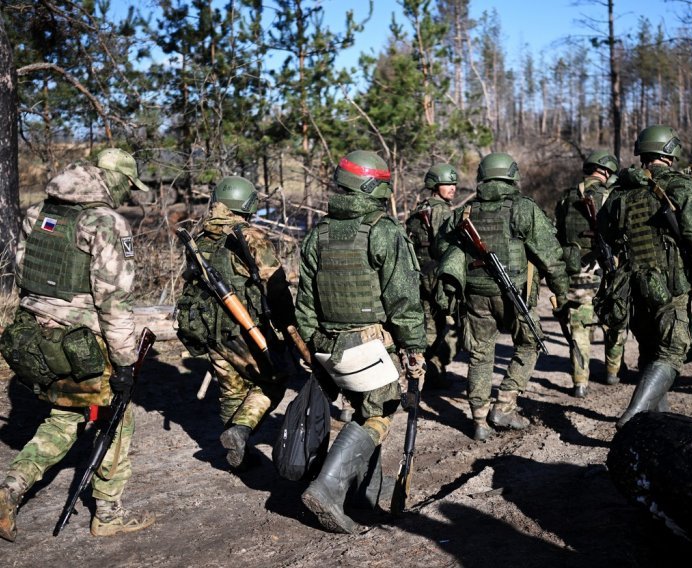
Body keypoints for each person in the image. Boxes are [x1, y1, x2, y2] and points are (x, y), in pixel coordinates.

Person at [0, 148, 154, 541]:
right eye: (127, 185)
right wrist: (124, 361)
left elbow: (23, 271)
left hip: (34, 336)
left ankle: (9, 488)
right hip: (83, 344)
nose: (126, 194)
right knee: (118, 419)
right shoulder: (106, 223)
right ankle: (108, 512)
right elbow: (114, 300)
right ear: (113, 179)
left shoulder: (41, 214)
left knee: (64, 416)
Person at [295, 150, 426, 534]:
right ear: (372, 186)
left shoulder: (317, 234)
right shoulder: (384, 232)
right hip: (371, 349)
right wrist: (414, 347)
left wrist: (313, 347)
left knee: (361, 411)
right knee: (379, 414)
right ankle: (328, 488)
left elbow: (304, 305)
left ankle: (365, 497)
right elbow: (403, 299)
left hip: (328, 347)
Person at [436, 152, 569, 442]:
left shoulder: (466, 212)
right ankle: (505, 405)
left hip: (476, 296)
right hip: (514, 293)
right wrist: (561, 291)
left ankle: (480, 420)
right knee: (531, 342)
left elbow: (441, 247)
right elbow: (551, 256)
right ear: (511, 176)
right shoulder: (522, 208)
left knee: (481, 354)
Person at [602, 125, 692, 428]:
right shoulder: (680, 188)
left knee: (649, 351)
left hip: (631, 286)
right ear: (669, 152)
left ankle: (658, 424)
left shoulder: (620, 194)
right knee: (671, 350)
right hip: (669, 286)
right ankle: (633, 416)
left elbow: (604, 235)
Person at [176, 176, 296, 469]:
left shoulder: (199, 237)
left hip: (209, 329)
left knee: (231, 389)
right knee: (275, 381)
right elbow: (275, 283)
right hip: (246, 328)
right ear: (247, 205)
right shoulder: (250, 235)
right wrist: (289, 322)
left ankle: (237, 453)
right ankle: (241, 430)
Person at [554, 150, 627, 398]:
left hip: (579, 269)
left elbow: (560, 234)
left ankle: (580, 382)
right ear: (606, 171)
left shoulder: (566, 198)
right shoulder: (611, 195)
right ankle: (612, 370)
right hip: (610, 269)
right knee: (616, 318)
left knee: (579, 326)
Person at [406, 163, 460, 389]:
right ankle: (431, 368)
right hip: (436, 276)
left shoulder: (420, 208)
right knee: (450, 325)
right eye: (448, 183)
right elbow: (444, 247)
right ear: (435, 185)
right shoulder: (441, 210)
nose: (453, 188)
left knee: (429, 324)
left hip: (420, 274)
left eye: (454, 184)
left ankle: (427, 371)